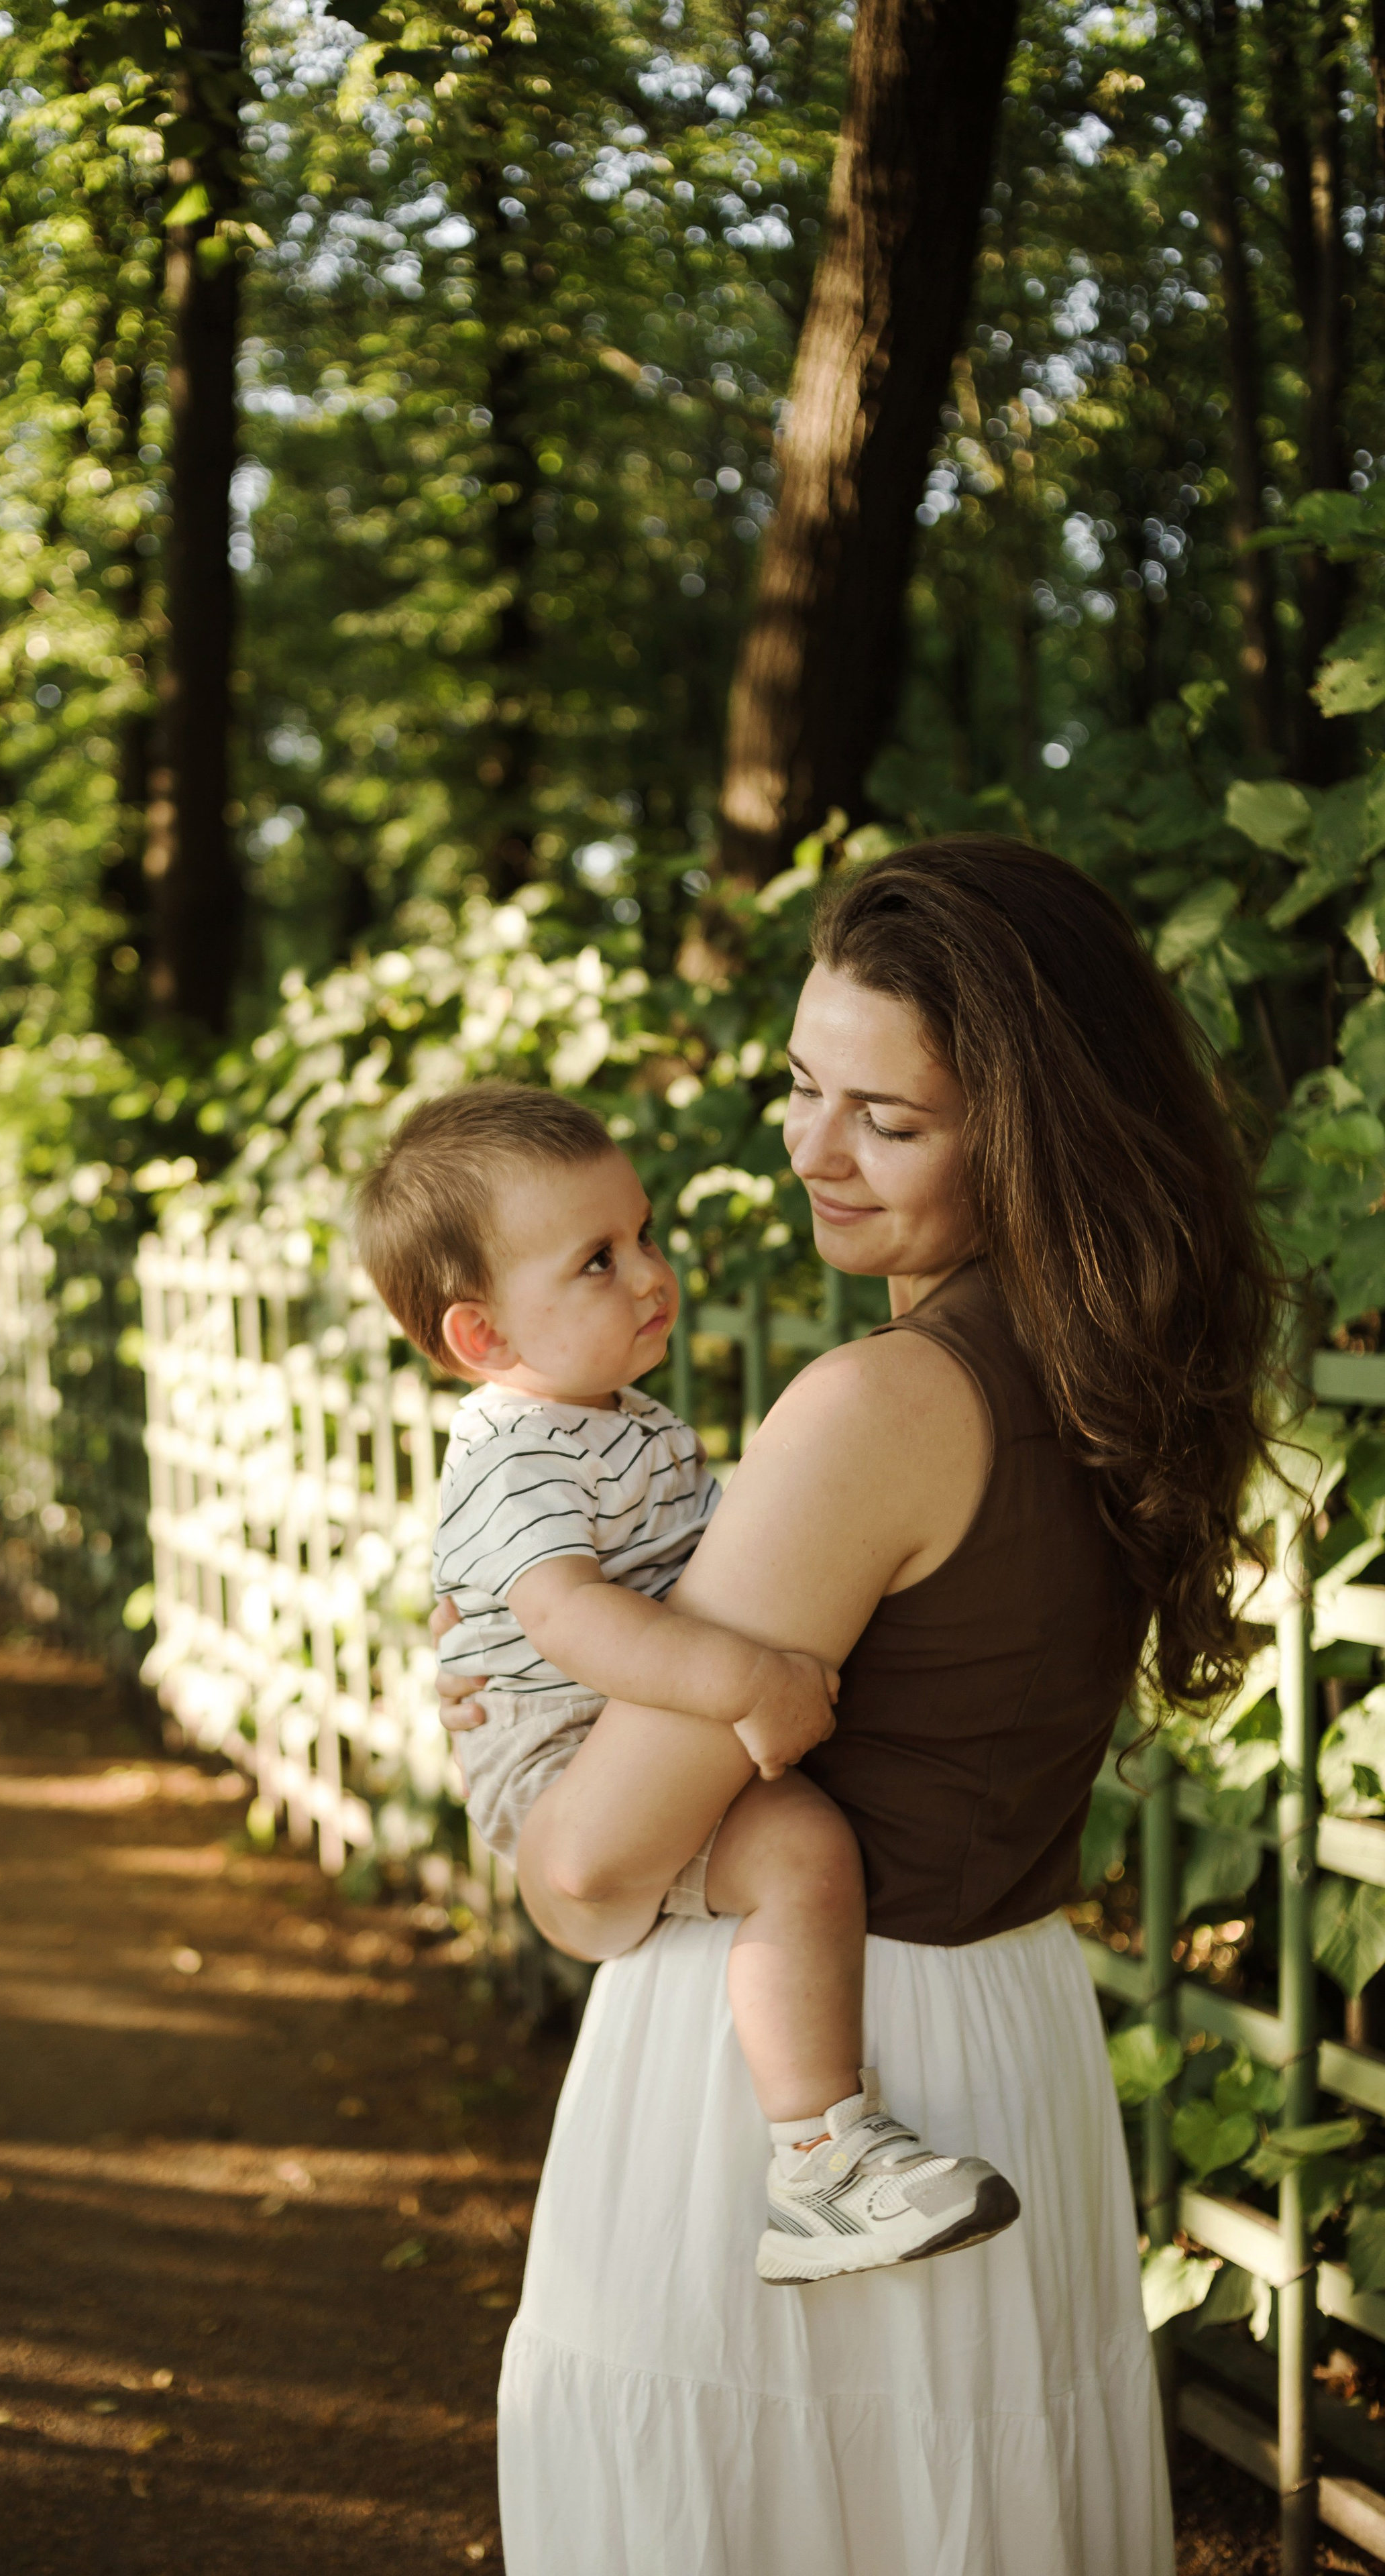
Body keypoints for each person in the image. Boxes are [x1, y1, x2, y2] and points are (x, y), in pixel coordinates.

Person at [439, 839, 1276, 2576]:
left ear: (1029, 1131)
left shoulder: (878, 1404)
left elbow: (590, 1878)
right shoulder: (1105, 1364)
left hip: (796, 2074)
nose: (811, 1149)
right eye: (803, 1086)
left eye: (886, 1119)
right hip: (1011, 2037)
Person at [354, 1084, 1018, 2279]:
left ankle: (825, 2156)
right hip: (560, 1757)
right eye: (598, 1261)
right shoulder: (517, 1454)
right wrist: (745, 1681)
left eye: (645, 1234)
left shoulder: (618, 1424)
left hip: (610, 1727)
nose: (652, 1273)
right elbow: (568, 1615)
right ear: (481, 1338)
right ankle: (822, 2161)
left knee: (802, 1853)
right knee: (802, 1856)